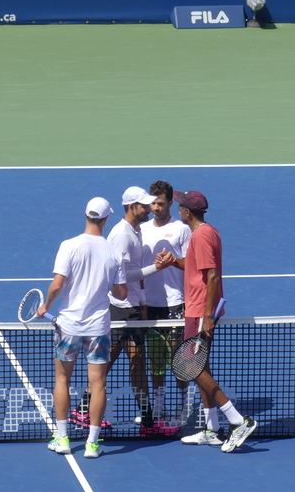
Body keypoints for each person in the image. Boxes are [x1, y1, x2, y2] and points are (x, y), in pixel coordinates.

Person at [165, 191, 256, 452]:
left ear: (187, 213)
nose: (178, 209)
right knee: (200, 367)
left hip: (199, 311)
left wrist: (206, 316)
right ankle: (212, 429)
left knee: (191, 367)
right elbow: (197, 268)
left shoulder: (202, 236)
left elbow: (212, 276)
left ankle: (238, 421)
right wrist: (173, 262)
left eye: (180, 206)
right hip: (197, 309)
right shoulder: (207, 232)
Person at [37, 197, 127, 459]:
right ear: (107, 218)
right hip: (98, 328)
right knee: (98, 383)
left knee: (62, 379)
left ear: (86, 216)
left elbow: (57, 285)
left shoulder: (69, 245)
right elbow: (121, 294)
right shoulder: (112, 252)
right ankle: (92, 444)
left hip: (69, 327)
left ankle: (62, 438)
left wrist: (45, 305)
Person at [105, 186, 174, 429]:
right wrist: (157, 268)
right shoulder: (121, 235)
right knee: (108, 361)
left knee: (137, 362)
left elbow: (136, 274)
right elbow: (120, 276)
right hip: (120, 309)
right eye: (144, 205)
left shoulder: (136, 230)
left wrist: (143, 302)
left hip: (133, 307)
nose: (149, 209)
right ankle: (84, 409)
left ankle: (146, 418)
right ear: (131, 207)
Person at [140, 181, 192, 422]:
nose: (156, 208)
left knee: (178, 358)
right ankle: (159, 407)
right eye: (153, 203)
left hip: (175, 303)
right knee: (156, 359)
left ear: (171, 203)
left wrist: (173, 261)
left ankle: (183, 406)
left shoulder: (182, 229)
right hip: (149, 304)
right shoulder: (142, 230)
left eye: (161, 203)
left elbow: (192, 265)